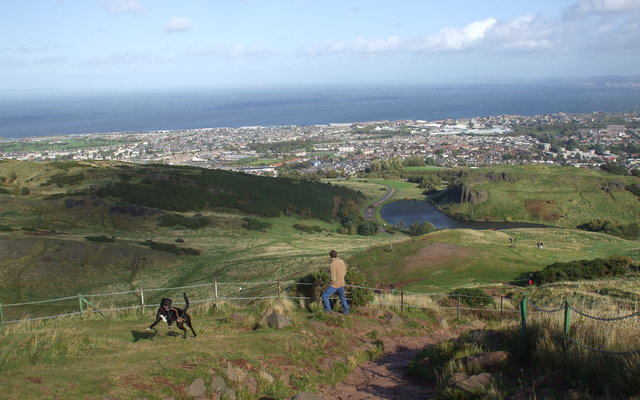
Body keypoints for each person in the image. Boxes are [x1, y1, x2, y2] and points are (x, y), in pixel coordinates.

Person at [322, 250, 349, 315]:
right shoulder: (342, 261)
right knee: (342, 297)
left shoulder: (332, 264)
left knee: (325, 295)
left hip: (335, 284)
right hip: (342, 282)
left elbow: (333, 276)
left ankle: (328, 310)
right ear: (336, 255)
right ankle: (346, 311)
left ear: (330, 256)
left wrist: (331, 282)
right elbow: (345, 272)